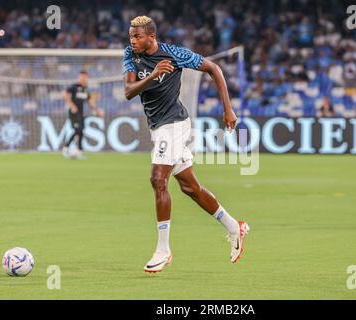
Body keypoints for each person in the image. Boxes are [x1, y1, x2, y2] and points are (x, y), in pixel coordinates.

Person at [122, 16, 250, 273]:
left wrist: (228, 109)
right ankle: (234, 227)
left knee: (158, 179)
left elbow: (214, 68)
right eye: (131, 36)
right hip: (158, 127)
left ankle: (163, 249)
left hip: (175, 124)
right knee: (190, 187)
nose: (132, 41)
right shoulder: (130, 54)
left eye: (137, 37)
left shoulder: (175, 54)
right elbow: (128, 91)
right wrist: (154, 75)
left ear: (151, 37)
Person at [62, 71, 103, 159]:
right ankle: (66, 147)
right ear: (79, 77)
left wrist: (97, 111)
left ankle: (79, 151)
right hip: (73, 113)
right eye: (82, 77)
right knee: (78, 129)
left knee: (81, 131)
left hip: (81, 113)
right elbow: (64, 94)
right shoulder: (75, 87)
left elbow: (90, 102)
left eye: (85, 77)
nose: (83, 79)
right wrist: (71, 105)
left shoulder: (85, 90)